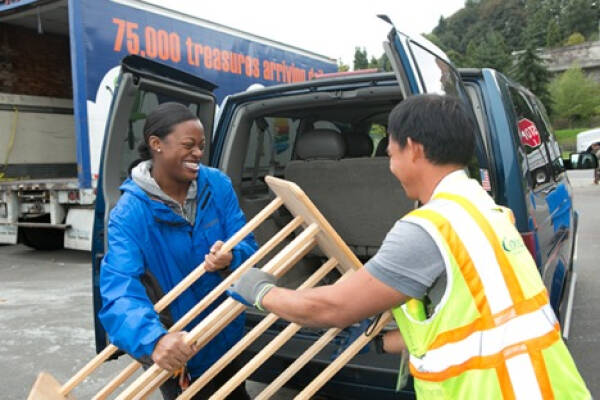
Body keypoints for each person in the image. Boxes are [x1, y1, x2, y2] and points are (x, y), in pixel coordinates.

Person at [229, 95, 590, 399]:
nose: (389, 165)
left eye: (390, 153)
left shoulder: (427, 228)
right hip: (549, 384)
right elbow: (475, 323)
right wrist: (382, 343)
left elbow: (332, 307)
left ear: (414, 149)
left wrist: (262, 293)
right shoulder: (486, 209)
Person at [99, 102, 257, 399]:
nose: (198, 153)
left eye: (200, 146)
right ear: (156, 144)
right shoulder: (129, 213)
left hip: (225, 334)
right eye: (188, 145)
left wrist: (232, 258)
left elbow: (250, 247)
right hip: (175, 348)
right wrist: (154, 340)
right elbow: (119, 289)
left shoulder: (217, 186)